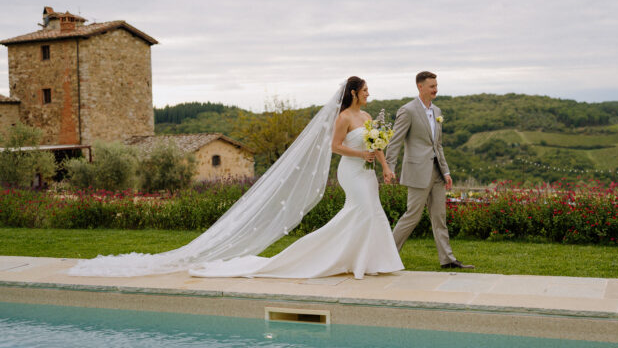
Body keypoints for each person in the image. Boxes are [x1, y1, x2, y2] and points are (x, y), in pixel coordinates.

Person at [69, 77, 403, 279]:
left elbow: (379, 144)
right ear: (354, 92)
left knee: (369, 213)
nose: (369, 93)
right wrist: (362, 155)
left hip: (369, 174)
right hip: (351, 171)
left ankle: (369, 261)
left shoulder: (369, 116)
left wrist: (385, 167)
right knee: (360, 213)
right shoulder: (344, 117)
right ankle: (335, 259)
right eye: (366, 89)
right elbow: (335, 147)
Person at [384, 71, 474, 269]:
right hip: (417, 172)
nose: (436, 89)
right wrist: (389, 167)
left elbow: (438, 145)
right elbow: (395, 142)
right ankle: (386, 255)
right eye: (432, 86)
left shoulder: (437, 111)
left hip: (437, 173)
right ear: (420, 87)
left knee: (439, 216)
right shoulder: (407, 111)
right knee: (412, 216)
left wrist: (446, 171)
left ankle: (447, 259)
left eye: (436, 85)